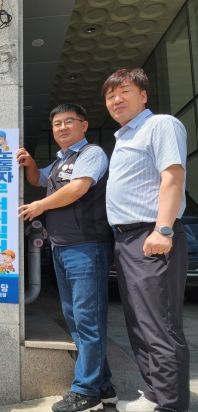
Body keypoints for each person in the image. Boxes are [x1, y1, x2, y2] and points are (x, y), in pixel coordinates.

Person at [17, 103, 115, 412]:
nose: (62, 127)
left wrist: (40, 206)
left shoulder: (91, 154)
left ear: (83, 125)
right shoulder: (61, 161)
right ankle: (103, 385)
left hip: (87, 247)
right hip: (62, 247)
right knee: (76, 317)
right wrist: (31, 163)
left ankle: (86, 391)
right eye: (57, 123)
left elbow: (77, 189)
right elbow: (38, 179)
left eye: (68, 121)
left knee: (87, 319)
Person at [102, 68, 189, 412]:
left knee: (160, 326)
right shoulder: (124, 137)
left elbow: (173, 176)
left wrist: (163, 229)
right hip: (126, 239)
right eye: (110, 96)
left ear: (143, 95)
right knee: (139, 323)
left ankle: (171, 405)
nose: (116, 100)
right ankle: (154, 394)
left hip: (151, 235)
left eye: (124, 91)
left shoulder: (161, 125)